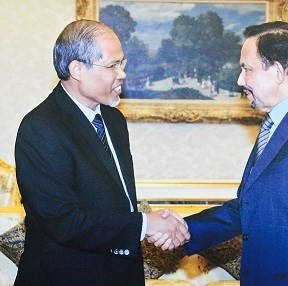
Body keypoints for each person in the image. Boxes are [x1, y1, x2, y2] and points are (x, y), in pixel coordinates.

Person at [151, 21, 288, 285]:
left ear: (277, 71)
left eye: (246, 69)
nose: (240, 80)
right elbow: (249, 209)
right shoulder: (277, 125)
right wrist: (186, 230)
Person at [14, 19, 190, 286]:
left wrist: (153, 225)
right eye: (112, 66)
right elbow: (63, 221)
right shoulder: (40, 127)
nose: (122, 74)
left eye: (122, 63)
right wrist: (144, 225)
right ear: (77, 69)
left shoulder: (114, 120)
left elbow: (117, 202)